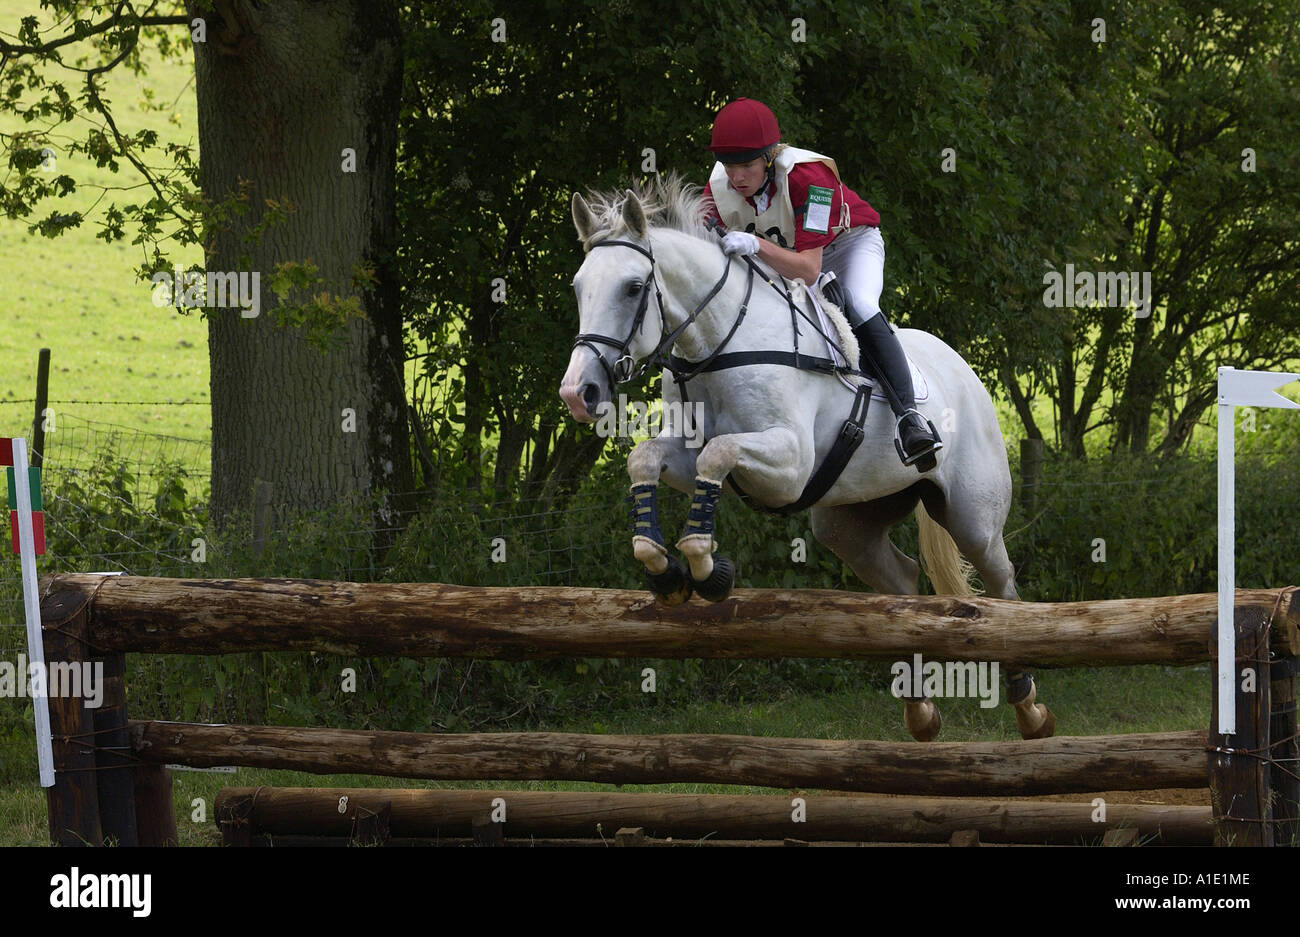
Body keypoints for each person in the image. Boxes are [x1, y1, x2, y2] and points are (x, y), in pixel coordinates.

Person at [702, 97, 941, 469]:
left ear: (769, 158)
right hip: (787, 255)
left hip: (848, 246)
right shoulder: (718, 187)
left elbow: (810, 270)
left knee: (859, 303)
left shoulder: (808, 177)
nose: (737, 178)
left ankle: (910, 417)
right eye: (729, 166)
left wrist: (755, 244)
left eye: (747, 166)